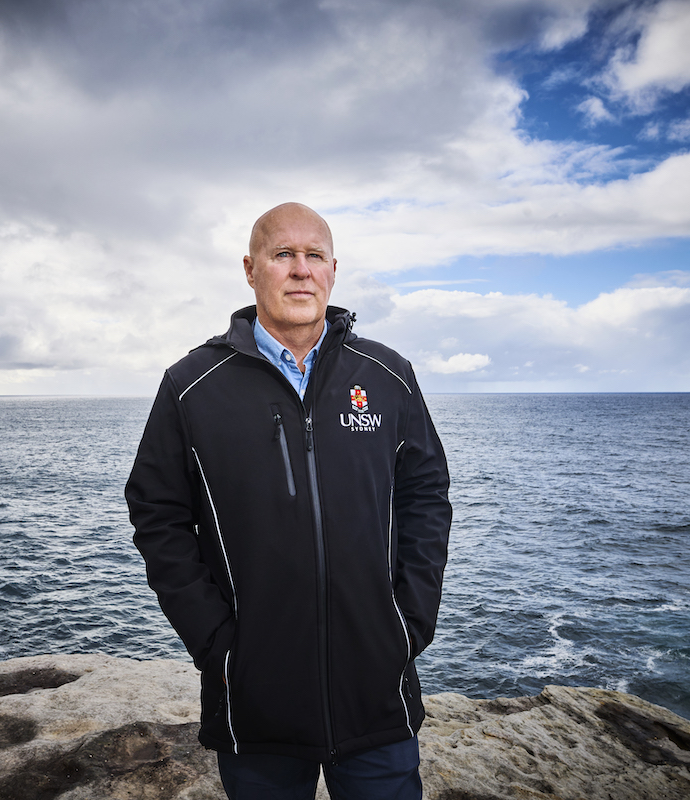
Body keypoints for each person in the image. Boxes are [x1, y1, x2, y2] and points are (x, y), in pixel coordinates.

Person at [125, 202, 452, 799]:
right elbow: (157, 514)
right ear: (251, 270)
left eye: (314, 256)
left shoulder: (388, 375)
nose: (301, 270)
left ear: (333, 271)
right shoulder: (191, 386)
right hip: (255, 701)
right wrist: (215, 643)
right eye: (283, 255)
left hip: (376, 691)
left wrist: (408, 624)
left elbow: (426, 494)